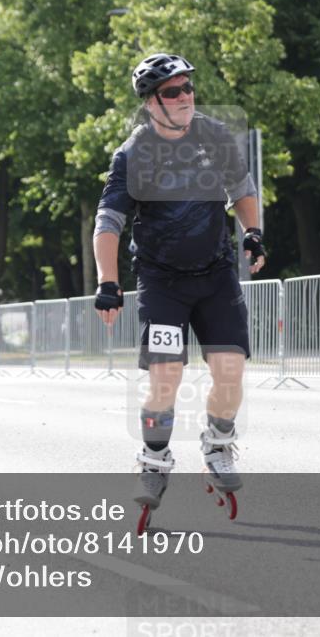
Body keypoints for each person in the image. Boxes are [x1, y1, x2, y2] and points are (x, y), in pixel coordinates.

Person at [92, 53, 266, 518]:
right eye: (173, 91)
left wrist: (252, 232)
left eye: (189, 87)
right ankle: (153, 460)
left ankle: (218, 445)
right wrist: (108, 282)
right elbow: (108, 221)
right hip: (162, 282)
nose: (186, 96)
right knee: (165, 377)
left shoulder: (214, 136)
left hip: (215, 275)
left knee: (230, 370)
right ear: (152, 103)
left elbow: (242, 188)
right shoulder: (133, 154)